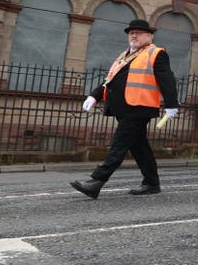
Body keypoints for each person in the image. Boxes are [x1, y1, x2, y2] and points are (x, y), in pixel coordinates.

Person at [71, 19, 178, 198]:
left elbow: (167, 80)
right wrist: (95, 95)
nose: (134, 35)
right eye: (131, 33)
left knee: (118, 145)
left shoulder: (156, 53)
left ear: (149, 35)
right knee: (139, 147)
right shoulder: (125, 55)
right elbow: (110, 79)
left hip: (139, 108)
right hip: (124, 108)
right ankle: (152, 183)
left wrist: (171, 104)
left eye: (139, 32)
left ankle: (96, 182)